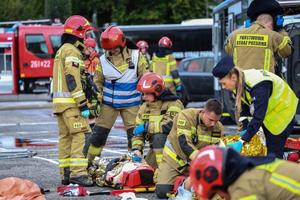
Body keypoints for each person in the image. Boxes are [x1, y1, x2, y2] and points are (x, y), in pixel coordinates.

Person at [212, 56, 298, 158]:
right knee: (264, 148)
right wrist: (245, 128)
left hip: (283, 113)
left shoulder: (258, 86)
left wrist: (242, 140)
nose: (223, 87)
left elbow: (258, 116)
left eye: (223, 83)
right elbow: (245, 107)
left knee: (273, 153)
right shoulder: (239, 82)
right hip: (271, 112)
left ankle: (279, 168)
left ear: (233, 77)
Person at [86, 25, 149, 163]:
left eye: (114, 48)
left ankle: (134, 165)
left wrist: (147, 101)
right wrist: (96, 99)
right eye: (109, 49)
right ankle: (89, 163)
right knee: (98, 136)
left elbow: (146, 78)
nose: (112, 51)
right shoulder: (102, 60)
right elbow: (97, 82)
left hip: (132, 104)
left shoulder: (137, 56)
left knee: (134, 136)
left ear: (122, 44)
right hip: (109, 104)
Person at [52, 15, 93, 186]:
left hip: (61, 105)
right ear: (79, 32)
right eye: (86, 33)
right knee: (80, 136)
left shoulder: (62, 49)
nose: (87, 37)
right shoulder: (72, 51)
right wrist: (83, 103)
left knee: (66, 138)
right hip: (72, 104)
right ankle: (78, 174)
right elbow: (72, 79)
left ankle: (67, 173)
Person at [155, 99, 224, 198]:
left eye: (216, 120)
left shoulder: (218, 128)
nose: (213, 124)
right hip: (174, 160)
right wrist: (202, 160)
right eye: (211, 120)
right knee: (162, 192)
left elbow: (215, 151)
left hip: (196, 164)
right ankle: (160, 173)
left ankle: (187, 182)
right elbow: (184, 143)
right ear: (203, 111)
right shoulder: (186, 116)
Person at [190, 145, 300, 200]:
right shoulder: (252, 167)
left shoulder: (242, 188)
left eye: (215, 192)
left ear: (221, 184)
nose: (222, 197)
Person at [224, 0, 292, 75]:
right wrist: (280, 30)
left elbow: (228, 51)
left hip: (240, 84)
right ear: (276, 21)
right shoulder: (274, 36)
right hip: (263, 84)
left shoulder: (234, 35)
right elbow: (287, 51)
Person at [131, 72, 184, 169]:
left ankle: (163, 170)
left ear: (157, 91)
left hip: (175, 148)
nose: (144, 97)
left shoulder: (174, 104)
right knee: (144, 174)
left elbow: (168, 126)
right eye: (143, 94)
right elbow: (137, 134)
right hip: (157, 148)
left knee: (158, 137)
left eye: (147, 94)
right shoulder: (144, 108)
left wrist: (146, 127)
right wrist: (136, 149)